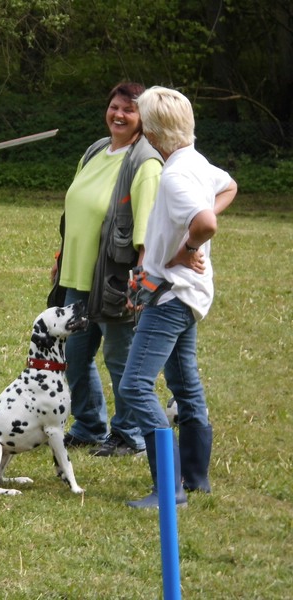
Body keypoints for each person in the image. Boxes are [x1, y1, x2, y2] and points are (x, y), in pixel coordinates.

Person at [121, 86, 237, 508]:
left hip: (171, 297)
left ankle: (169, 490)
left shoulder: (172, 176)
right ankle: (195, 479)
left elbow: (206, 220)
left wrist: (189, 248)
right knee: (185, 384)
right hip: (190, 296)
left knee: (135, 386)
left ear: (151, 131)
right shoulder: (196, 162)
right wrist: (191, 243)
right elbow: (229, 187)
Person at [53, 82, 163, 457]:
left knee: (120, 360)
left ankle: (128, 434)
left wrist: (142, 285)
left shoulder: (145, 162)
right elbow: (78, 209)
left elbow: (146, 230)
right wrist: (61, 256)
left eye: (128, 110)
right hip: (77, 277)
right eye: (114, 106)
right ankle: (89, 425)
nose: (118, 115)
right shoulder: (96, 150)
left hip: (116, 281)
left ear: (143, 118)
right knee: (73, 358)